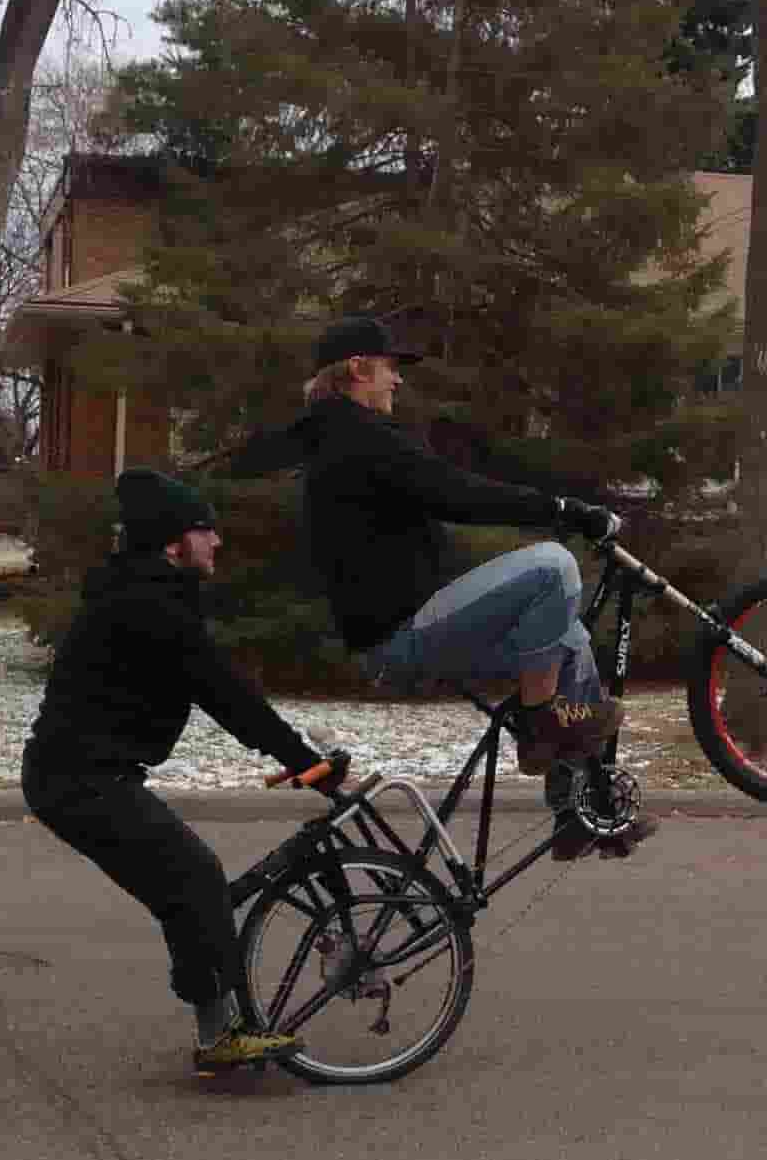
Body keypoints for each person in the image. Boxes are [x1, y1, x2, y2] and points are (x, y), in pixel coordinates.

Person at [222, 313, 652, 858]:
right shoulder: (358, 438)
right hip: (402, 634)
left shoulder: (336, 435)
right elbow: (458, 493)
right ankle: (541, 722)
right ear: (357, 368)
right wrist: (564, 510)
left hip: (410, 624)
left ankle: (578, 810)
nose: (398, 381)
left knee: (570, 641)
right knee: (553, 566)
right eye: (390, 369)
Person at [21, 467, 346, 1078]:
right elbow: (225, 694)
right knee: (194, 878)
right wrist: (305, 763)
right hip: (79, 780)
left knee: (185, 888)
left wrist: (299, 758)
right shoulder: (150, 606)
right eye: (207, 531)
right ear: (174, 541)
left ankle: (217, 1015)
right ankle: (218, 1036)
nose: (217, 542)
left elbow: (221, 688)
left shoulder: (151, 594)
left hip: (84, 774)